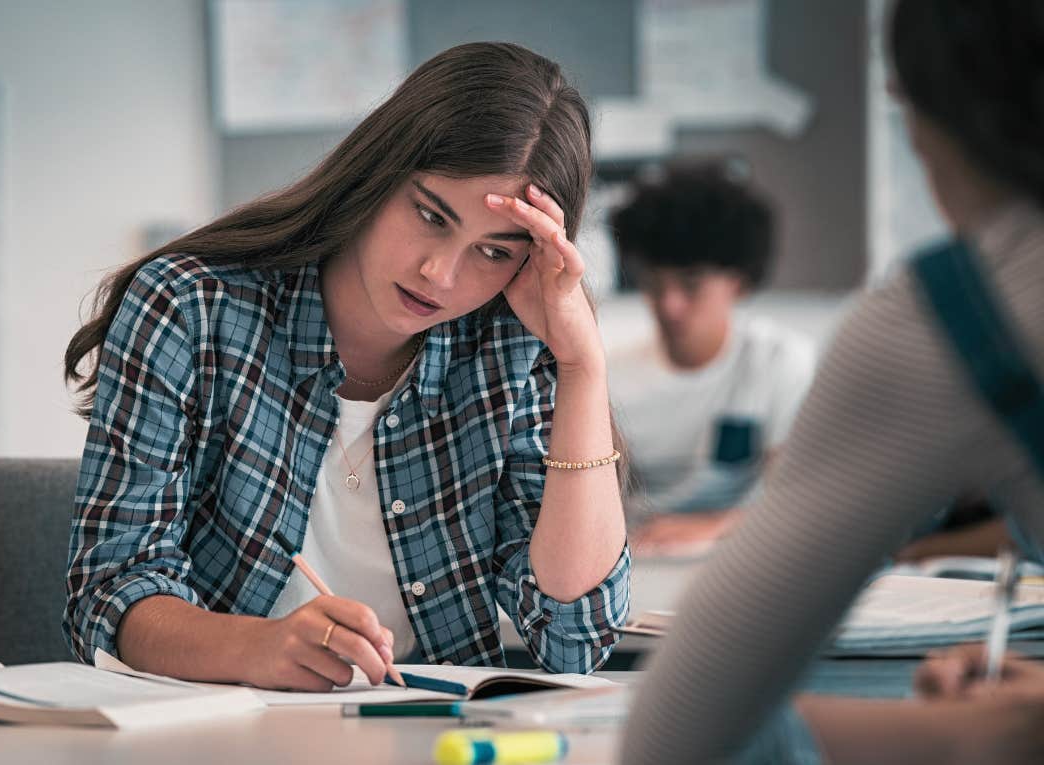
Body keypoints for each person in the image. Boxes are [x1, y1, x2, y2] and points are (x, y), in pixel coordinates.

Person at [62, 42, 631, 692]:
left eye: (493, 251)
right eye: (430, 215)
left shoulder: (511, 347)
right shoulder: (191, 306)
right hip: (215, 731)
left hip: (428, 736)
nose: (440, 274)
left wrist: (582, 363)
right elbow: (109, 592)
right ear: (378, 172)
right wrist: (261, 648)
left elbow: (576, 636)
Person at [622, 1, 1044, 762]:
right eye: (655, 282)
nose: (669, 304)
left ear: (914, 113)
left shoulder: (954, 321)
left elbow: (674, 737)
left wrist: (970, 734)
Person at [607, 162, 816, 555]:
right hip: (635, 558)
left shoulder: (778, 363)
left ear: (738, 282)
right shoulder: (608, 377)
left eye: (691, 285)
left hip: (736, 557)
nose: (670, 306)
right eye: (654, 284)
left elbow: (800, 502)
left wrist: (712, 527)